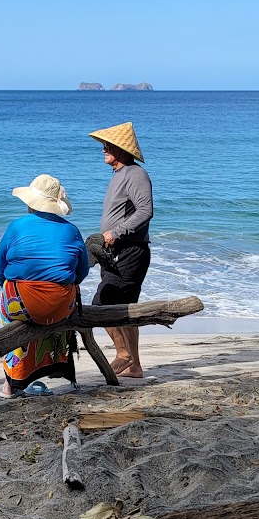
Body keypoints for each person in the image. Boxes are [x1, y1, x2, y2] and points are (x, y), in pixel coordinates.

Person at [0, 174, 90, 397]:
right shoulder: (72, 230)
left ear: (30, 202)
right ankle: (55, 363)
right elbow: (81, 273)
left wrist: (12, 291)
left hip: (22, 306)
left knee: (9, 289)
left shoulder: (17, 226)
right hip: (61, 309)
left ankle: (11, 384)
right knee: (67, 288)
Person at [88, 122, 153, 378]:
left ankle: (123, 354)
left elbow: (146, 211)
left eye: (109, 145)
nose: (103, 149)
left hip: (130, 252)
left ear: (123, 150)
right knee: (126, 310)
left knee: (102, 303)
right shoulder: (119, 174)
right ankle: (134, 366)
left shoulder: (135, 174)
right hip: (116, 253)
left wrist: (115, 233)